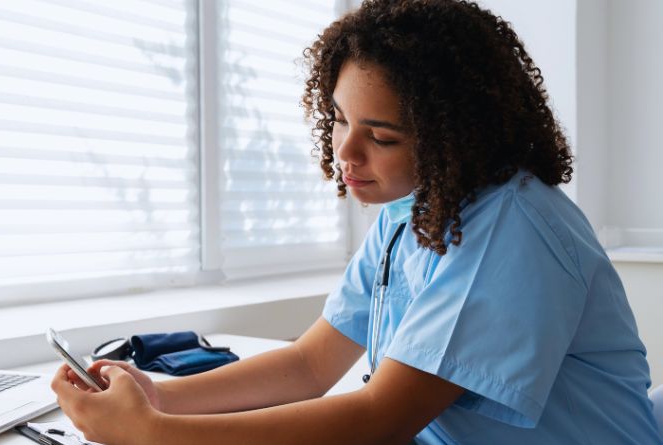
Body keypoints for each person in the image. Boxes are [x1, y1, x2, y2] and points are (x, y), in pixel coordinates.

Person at [51, 0, 663, 443]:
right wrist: (159, 396)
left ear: (455, 138)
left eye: (382, 136)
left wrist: (156, 435)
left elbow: (381, 417)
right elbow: (310, 365)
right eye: (340, 119)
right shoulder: (410, 213)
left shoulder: (513, 228)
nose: (346, 152)